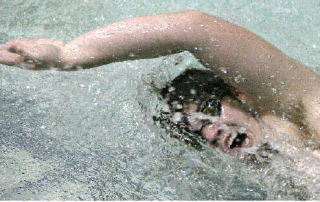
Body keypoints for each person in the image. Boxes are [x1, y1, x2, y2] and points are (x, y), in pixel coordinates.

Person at [0, 10, 320, 156]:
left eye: (211, 108)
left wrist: (68, 54)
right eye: (198, 130)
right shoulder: (276, 181)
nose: (211, 129)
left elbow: (193, 29)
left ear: (242, 94)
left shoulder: (304, 102)